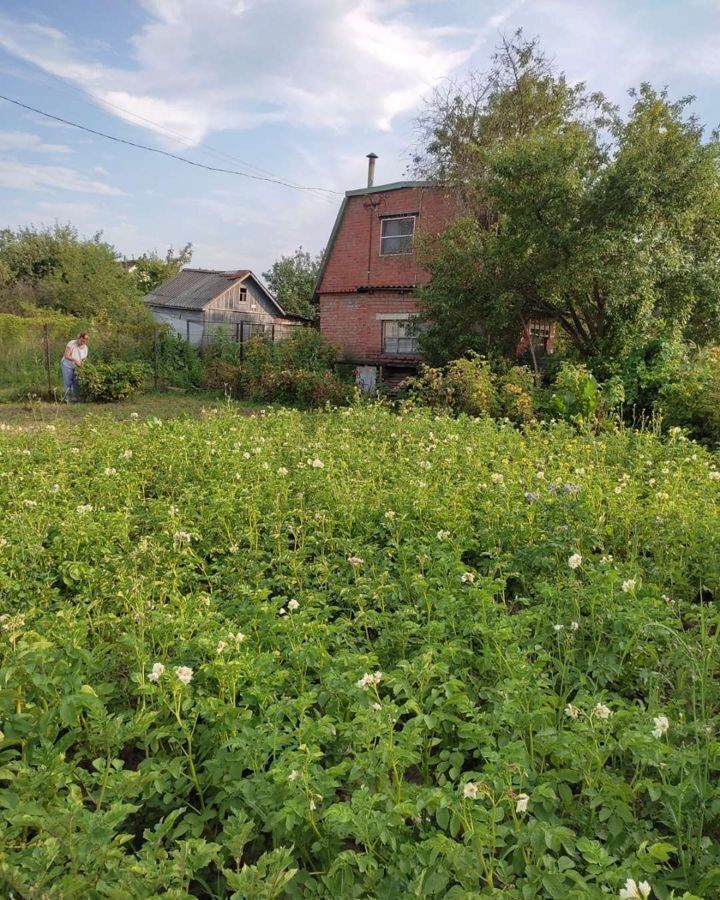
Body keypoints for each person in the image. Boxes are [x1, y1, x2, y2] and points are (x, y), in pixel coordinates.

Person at [61, 332, 89, 402]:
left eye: (85, 341)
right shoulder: (71, 344)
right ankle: (67, 399)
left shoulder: (85, 348)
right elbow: (66, 355)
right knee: (68, 382)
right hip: (67, 365)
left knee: (76, 382)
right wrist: (75, 360)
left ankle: (77, 398)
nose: (83, 343)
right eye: (82, 341)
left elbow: (84, 359)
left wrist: (82, 365)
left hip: (76, 367)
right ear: (78, 338)